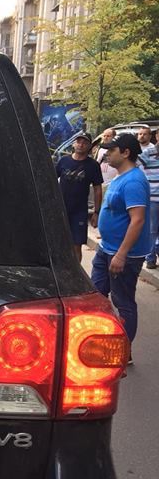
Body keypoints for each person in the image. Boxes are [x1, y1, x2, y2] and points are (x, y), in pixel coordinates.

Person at [91, 133, 152, 357]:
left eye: (111, 150)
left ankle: (122, 353)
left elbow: (138, 220)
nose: (106, 153)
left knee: (123, 301)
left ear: (126, 153)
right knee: (95, 294)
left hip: (122, 254)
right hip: (107, 248)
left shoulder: (134, 181)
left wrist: (121, 254)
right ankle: (100, 342)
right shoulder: (121, 176)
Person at [55, 133, 103, 262]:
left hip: (79, 212)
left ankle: (75, 271)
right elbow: (51, 180)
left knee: (76, 245)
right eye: (78, 142)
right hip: (60, 210)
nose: (81, 145)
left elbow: (97, 189)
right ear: (73, 144)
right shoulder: (64, 161)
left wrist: (96, 212)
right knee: (57, 243)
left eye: (84, 143)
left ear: (89, 146)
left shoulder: (93, 165)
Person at [140, 135, 159, 269]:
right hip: (153, 199)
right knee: (152, 230)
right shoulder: (148, 152)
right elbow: (133, 165)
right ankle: (150, 258)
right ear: (157, 136)